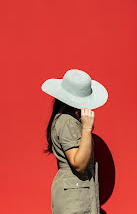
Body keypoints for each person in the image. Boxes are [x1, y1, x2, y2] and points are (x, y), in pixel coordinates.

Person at [41, 69, 108, 214]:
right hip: (75, 199)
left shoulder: (66, 120)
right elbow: (79, 164)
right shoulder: (67, 121)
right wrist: (86, 128)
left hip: (76, 194)